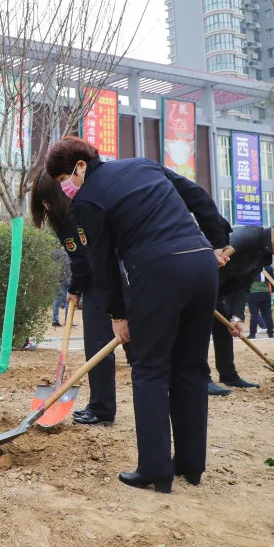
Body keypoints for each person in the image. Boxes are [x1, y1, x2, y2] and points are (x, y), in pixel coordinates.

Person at [46, 137, 231, 492]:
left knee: (150, 369)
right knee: (192, 368)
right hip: (202, 266)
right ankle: (191, 466)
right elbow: (197, 196)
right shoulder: (143, 164)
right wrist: (218, 239)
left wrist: (117, 313)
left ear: (80, 166)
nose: (66, 189)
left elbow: (102, 263)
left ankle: (155, 469)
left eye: (63, 180)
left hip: (158, 271)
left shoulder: (87, 201)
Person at [30, 170, 131, 426]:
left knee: (101, 344)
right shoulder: (74, 212)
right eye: (41, 202)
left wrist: (76, 286)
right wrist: (76, 287)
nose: (45, 206)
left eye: (47, 200)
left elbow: (83, 260)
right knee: (125, 343)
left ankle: (102, 409)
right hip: (111, 276)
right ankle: (106, 405)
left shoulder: (72, 216)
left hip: (104, 281)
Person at [210, 220, 274, 395]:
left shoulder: (262, 255)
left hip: (215, 290)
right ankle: (201, 378)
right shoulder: (250, 234)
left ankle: (229, 376)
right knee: (197, 331)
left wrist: (237, 317)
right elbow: (233, 242)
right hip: (198, 282)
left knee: (224, 329)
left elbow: (243, 286)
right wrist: (226, 252)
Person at [247, 266, 274, 339]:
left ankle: (252, 334)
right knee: (267, 315)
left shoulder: (251, 265)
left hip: (253, 293)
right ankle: (271, 333)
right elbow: (272, 280)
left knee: (254, 315)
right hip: (265, 293)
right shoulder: (268, 267)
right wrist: (273, 291)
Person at [52, 246, 71, 327]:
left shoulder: (55, 255)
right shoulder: (67, 255)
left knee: (57, 300)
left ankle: (55, 320)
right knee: (68, 301)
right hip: (67, 280)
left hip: (59, 280)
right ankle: (68, 321)